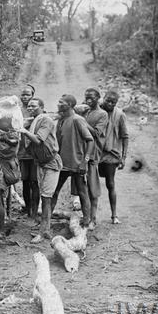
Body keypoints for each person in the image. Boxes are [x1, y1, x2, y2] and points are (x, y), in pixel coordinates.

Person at [19, 98, 61, 243]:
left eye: (34, 106)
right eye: (29, 106)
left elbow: (38, 139)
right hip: (40, 163)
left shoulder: (45, 120)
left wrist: (23, 131)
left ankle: (43, 232)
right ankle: (45, 229)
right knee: (44, 195)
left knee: (46, 197)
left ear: (42, 107)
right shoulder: (34, 120)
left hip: (51, 163)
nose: (30, 108)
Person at [50, 94, 94, 226]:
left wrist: (84, 161)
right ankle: (47, 220)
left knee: (82, 192)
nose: (58, 104)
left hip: (77, 164)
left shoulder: (77, 120)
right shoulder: (61, 120)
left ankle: (87, 221)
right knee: (54, 191)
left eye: (61, 102)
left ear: (69, 105)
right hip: (61, 164)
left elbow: (90, 140)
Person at [100, 90, 128, 223]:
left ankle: (114, 215)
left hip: (112, 154)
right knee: (89, 184)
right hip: (96, 153)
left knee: (110, 183)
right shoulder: (96, 110)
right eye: (108, 101)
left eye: (113, 102)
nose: (110, 104)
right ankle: (89, 215)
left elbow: (125, 136)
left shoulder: (119, 115)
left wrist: (123, 157)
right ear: (103, 99)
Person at [83, 87, 108, 230]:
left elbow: (97, 133)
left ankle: (93, 219)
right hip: (82, 153)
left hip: (93, 154)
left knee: (93, 188)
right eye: (86, 97)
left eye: (91, 97)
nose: (88, 99)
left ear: (98, 98)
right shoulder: (86, 111)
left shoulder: (102, 114)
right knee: (82, 187)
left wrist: (82, 122)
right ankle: (86, 217)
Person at [17, 84, 39, 220]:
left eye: (28, 95)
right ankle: (27, 207)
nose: (25, 97)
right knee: (25, 181)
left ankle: (35, 209)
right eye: (23, 95)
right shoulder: (17, 110)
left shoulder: (37, 111)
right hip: (21, 151)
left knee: (34, 181)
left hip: (35, 152)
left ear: (32, 95)